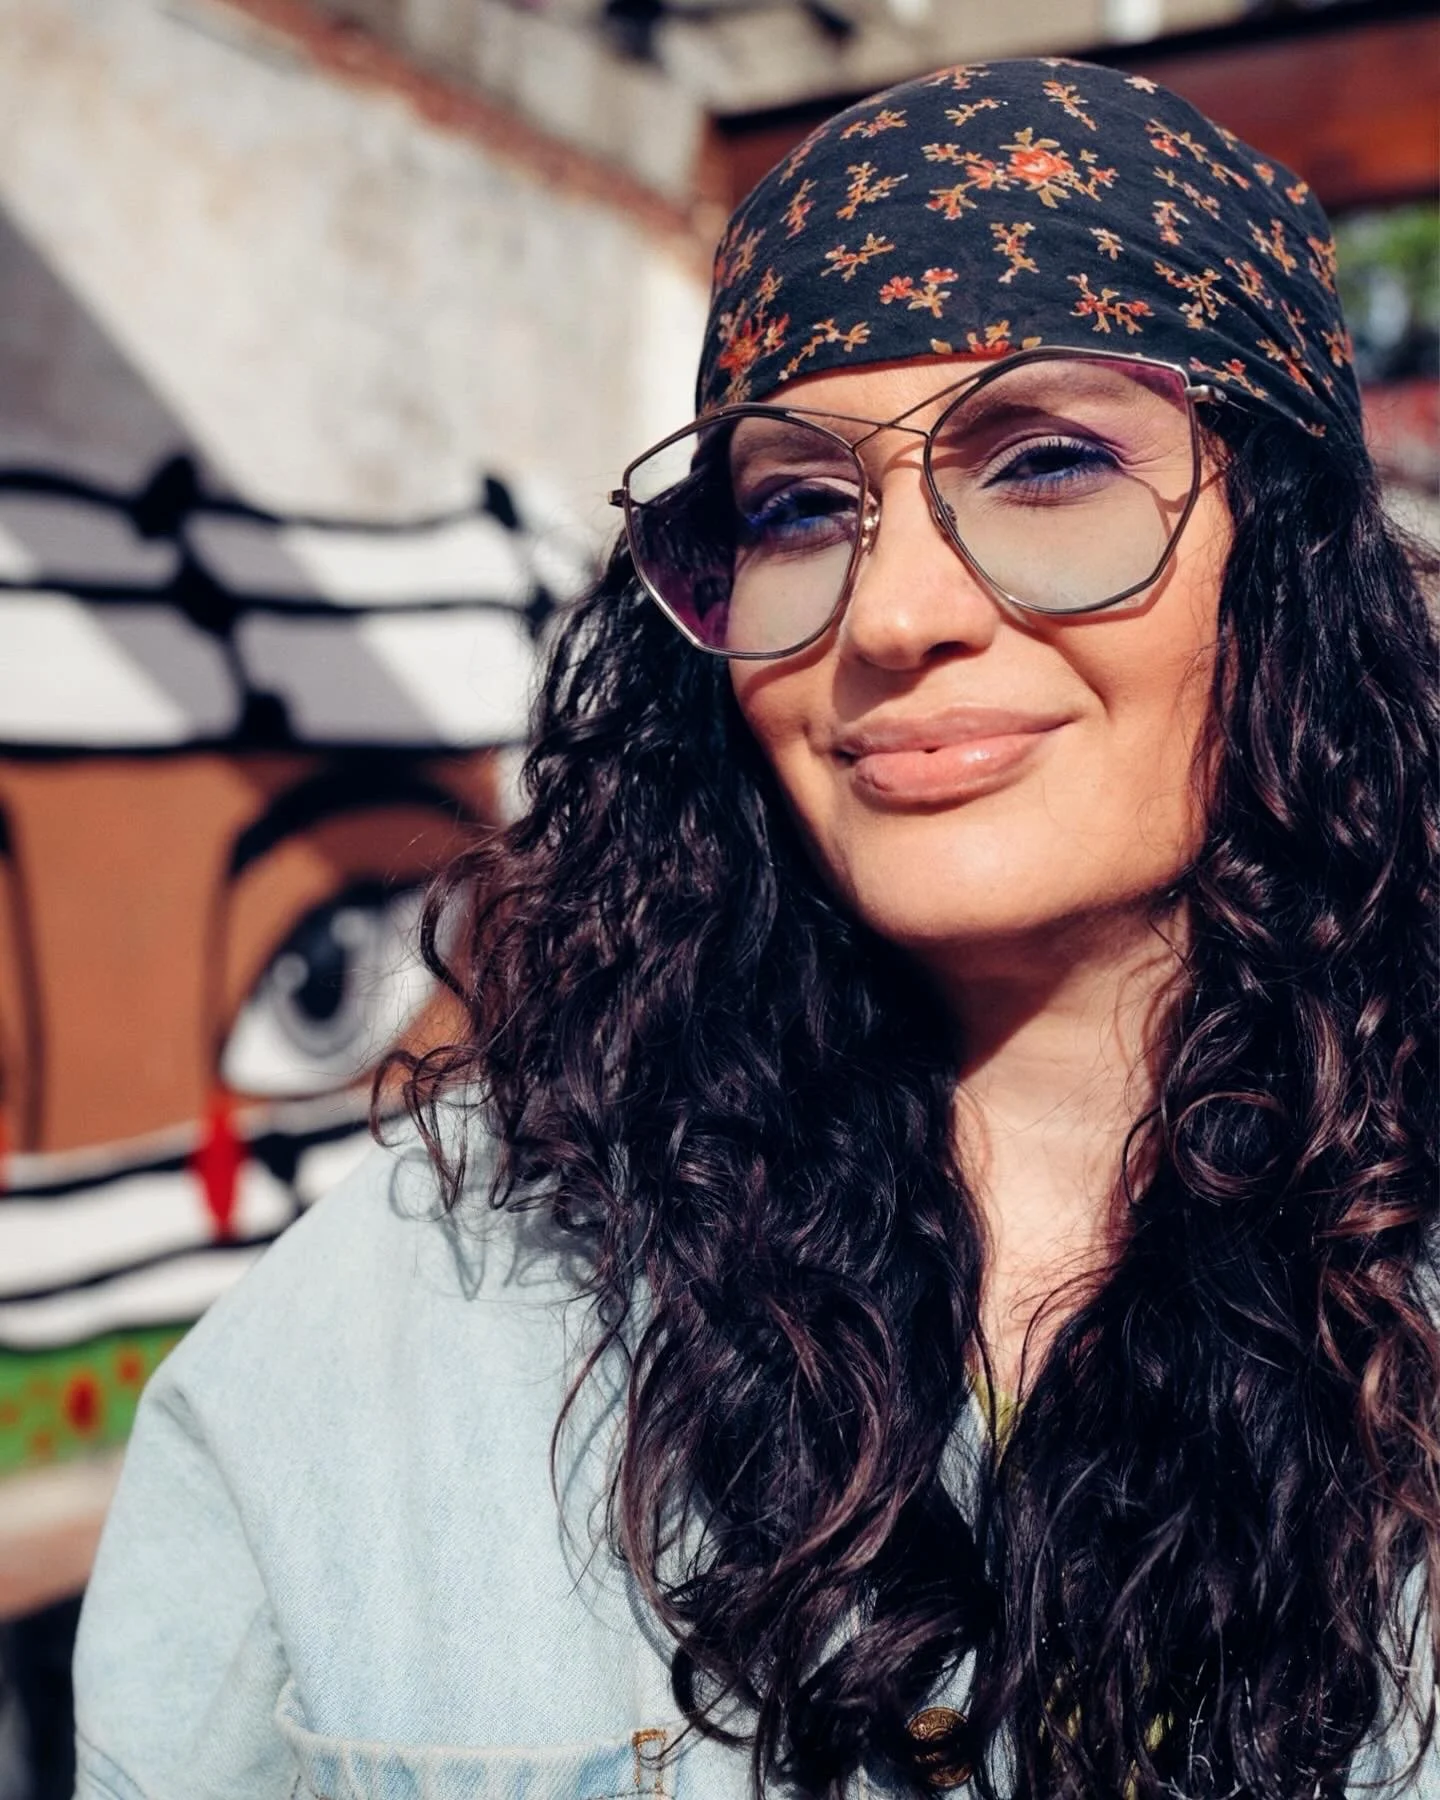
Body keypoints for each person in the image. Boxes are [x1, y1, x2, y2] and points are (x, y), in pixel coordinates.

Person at [71, 58, 1437, 1800]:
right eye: (799, 503)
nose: (896, 611)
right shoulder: (402, 1331)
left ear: (1287, 556)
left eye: (1048, 463)